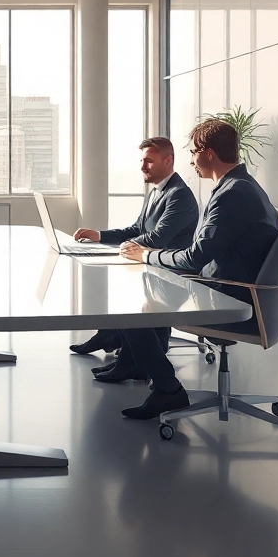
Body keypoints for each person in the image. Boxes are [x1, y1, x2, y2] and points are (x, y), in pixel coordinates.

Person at [114, 119, 278, 419]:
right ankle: (138, 366)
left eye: (193, 152)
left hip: (232, 301)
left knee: (130, 311)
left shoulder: (231, 194)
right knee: (147, 297)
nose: (190, 160)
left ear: (209, 153)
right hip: (240, 293)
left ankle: (167, 389)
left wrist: (148, 256)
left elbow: (195, 258)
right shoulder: (244, 186)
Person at [68, 137, 199, 380]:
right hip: (151, 267)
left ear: (168, 161)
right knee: (115, 285)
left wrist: (126, 247)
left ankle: (122, 352)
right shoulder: (157, 191)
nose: (142, 167)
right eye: (142, 160)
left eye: (149, 161)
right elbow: (137, 229)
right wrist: (99, 235)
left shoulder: (179, 195)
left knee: (123, 295)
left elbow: (158, 238)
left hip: (170, 275)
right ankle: (115, 345)